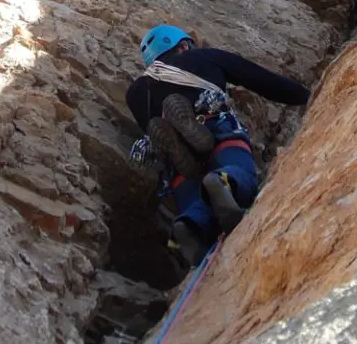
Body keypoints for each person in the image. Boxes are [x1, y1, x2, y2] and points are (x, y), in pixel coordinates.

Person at [126, 24, 310, 266]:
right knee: (237, 170)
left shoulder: (136, 93)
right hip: (215, 126)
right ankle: (224, 180)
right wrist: (308, 95)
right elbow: (261, 80)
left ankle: (189, 226)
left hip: (177, 166)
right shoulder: (202, 56)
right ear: (183, 46)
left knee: (195, 203)